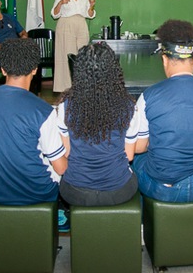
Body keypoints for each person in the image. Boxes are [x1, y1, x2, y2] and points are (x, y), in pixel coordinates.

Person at [131, 20, 193, 203]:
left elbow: (140, 147)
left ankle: (147, 217)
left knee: (137, 161)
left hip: (164, 188)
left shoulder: (148, 96)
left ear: (164, 59)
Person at [0, 38, 67, 205]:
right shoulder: (43, 111)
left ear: (3, 69)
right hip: (37, 193)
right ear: (35, 69)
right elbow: (61, 168)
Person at [57, 42, 139, 206]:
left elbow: (67, 152)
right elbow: (129, 156)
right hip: (118, 191)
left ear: (78, 73)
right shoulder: (129, 107)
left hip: (75, 192)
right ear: (114, 71)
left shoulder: (65, 106)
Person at [50, 0, 96, 92]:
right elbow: (54, 14)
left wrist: (91, 6)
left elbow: (90, 15)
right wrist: (60, 3)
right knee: (68, 55)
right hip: (66, 25)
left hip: (81, 24)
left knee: (83, 55)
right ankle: (67, 88)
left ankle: (83, 86)